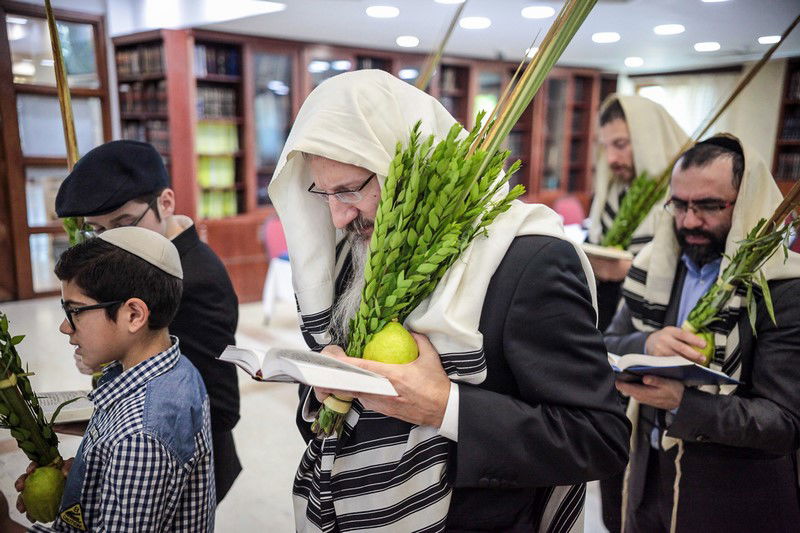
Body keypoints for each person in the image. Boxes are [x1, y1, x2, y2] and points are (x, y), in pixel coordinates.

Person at [268, 69, 630, 532]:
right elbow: (331, 416)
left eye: (351, 189)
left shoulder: (528, 260)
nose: (338, 218)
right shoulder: (352, 254)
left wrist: (444, 406)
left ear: (409, 168)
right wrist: (325, 382)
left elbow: (599, 438)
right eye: (324, 194)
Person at [604, 135, 800, 532]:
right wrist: (647, 343)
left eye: (709, 206)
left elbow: (783, 423)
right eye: (679, 205)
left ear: (745, 203)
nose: (689, 221)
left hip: (729, 499)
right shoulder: (655, 267)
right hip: (646, 478)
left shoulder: (783, 287)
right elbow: (606, 344)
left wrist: (683, 403)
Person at [54, 140, 241, 502]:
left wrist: (120, 439)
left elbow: (220, 408)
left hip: (174, 474)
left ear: (166, 203)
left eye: (124, 223)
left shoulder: (195, 279)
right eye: (98, 230)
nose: (113, 240)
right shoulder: (143, 262)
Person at [0, 227, 216, 532]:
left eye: (75, 311)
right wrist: (84, 477)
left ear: (133, 315)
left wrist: (6, 524)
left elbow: (136, 445)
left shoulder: (138, 440)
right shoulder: (179, 367)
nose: (65, 327)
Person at [587, 95, 688, 332]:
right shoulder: (616, 190)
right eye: (606, 147)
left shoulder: (683, 198)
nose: (611, 159)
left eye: (621, 144)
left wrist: (627, 270)